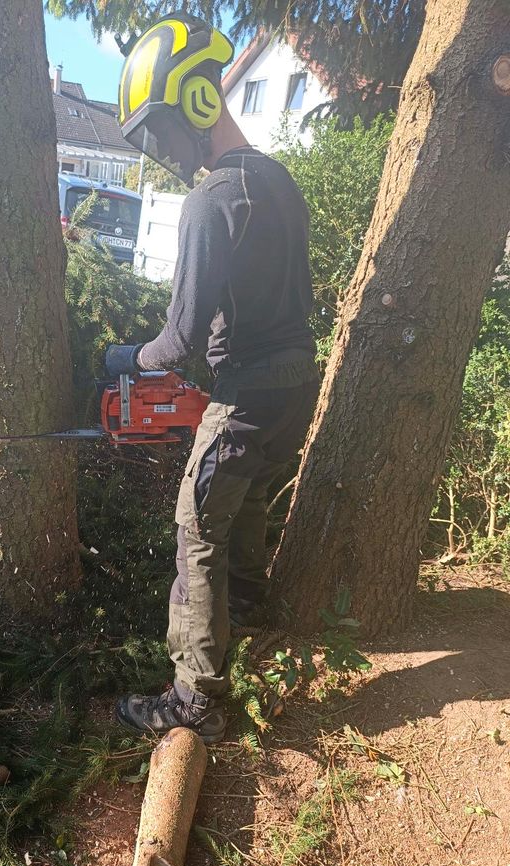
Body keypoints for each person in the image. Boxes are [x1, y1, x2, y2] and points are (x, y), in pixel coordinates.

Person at [107, 12, 319, 744]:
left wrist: (124, 360)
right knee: (251, 499)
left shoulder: (210, 199)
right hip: (297, 386)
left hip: (249, 394)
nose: (165, 150)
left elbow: (181, 340)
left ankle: (193, 695)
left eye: (163, 130)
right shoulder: (277, 180)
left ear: (198, 102)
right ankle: (247, 609)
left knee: (196, 527)